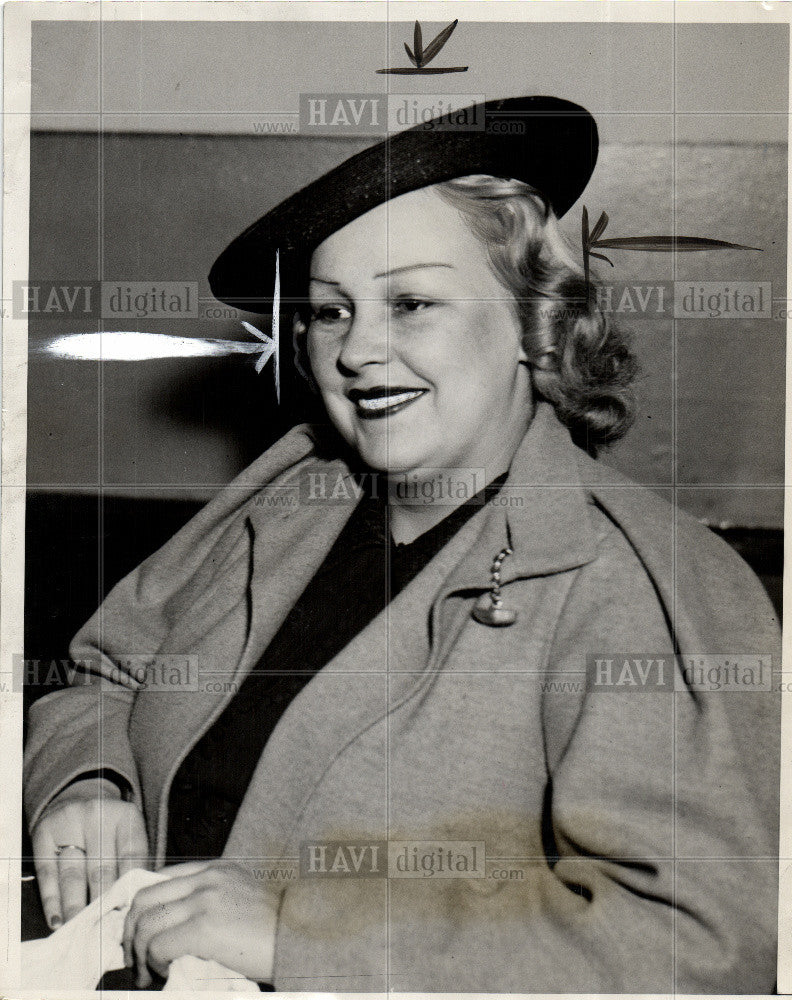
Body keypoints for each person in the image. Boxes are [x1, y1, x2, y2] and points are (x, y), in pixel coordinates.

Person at [24, 96, 780, 992]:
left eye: (412, 302)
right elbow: (104, 678)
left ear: (534, 325)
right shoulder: (293, 494)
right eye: (331, 313)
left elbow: (700, 947)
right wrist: (87, 780)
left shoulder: (645, 582)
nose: (357, 351)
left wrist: (300, 937)